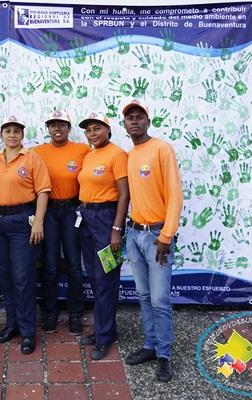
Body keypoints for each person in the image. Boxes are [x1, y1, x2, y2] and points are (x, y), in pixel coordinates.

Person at [121, 99, 183, 382]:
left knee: (159, 299)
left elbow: (175, 194)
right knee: (144, 296)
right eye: (129, 118)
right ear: (124, 125)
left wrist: (166, 236)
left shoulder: (162, 149)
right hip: (134, 234)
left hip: (157, 236)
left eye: (139, 117)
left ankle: (164, 356)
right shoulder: (130, 155)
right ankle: (150, 345)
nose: (134, 121)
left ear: (148, 121)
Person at [0, 115, 51, 355]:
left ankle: (28, 331)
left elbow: (43, 192)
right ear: (1, 135)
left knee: (23, 278)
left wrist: (38, 222)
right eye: (7, 131)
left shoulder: (32, 158)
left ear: (22, 135)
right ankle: (13, 325)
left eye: (16, 131)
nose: (12, 135)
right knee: (6, 277)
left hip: (22, 222)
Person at [77, 112, 129, 360]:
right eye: (88, 130)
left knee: (106, 279)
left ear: (108, 130)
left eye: (97, 128)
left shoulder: (117, 154)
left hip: (107, 219)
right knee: (96, 278)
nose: (92, 133)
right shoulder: (89, 155)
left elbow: (124, 194)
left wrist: (116, 229)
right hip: (86, 218)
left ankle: (104, 337)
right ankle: (105, 329)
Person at [33, 111, 90, 335]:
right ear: (48, 129)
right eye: (53, 125)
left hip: (72, 211)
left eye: (62, 125)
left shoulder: (82, 150)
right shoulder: (37, 152)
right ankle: (50, 313)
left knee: (74, 264)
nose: (57, 129)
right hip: (48, 211)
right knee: (50, 264)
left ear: (69, 128)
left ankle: (76, 314)